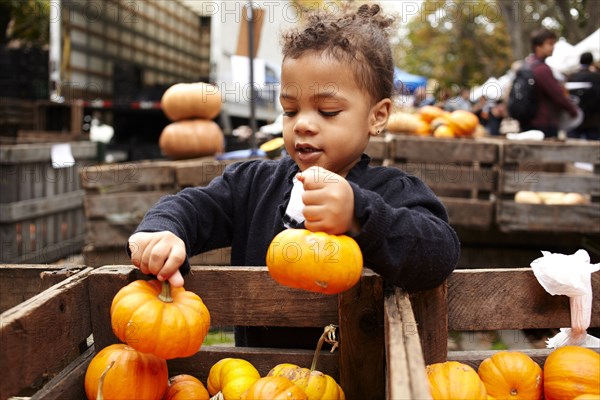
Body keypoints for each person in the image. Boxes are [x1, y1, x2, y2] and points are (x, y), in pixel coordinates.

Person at [127, 3, 460, 348]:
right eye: (290, 110)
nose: (302, 123)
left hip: (351, 382)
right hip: (258, 382)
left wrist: (359, 215)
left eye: (327, 111)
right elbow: (194, 206)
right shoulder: (252, 185)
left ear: (377, 116)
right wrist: (163, 231)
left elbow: (439, 252)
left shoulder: (392, 192)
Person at [518, 28, 578, 138]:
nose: (553, 47)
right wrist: (573, 111)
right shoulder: (542, 69)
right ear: (538, 46)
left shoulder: (527, 65)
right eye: (550, 44)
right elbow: (558, 95)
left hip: (529, 121)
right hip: (543, 123)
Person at [567, 52, 600, 140]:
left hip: (576, 117)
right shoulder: (596, 77)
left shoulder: (573, 77)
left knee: (572, 146)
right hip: (593, 120)